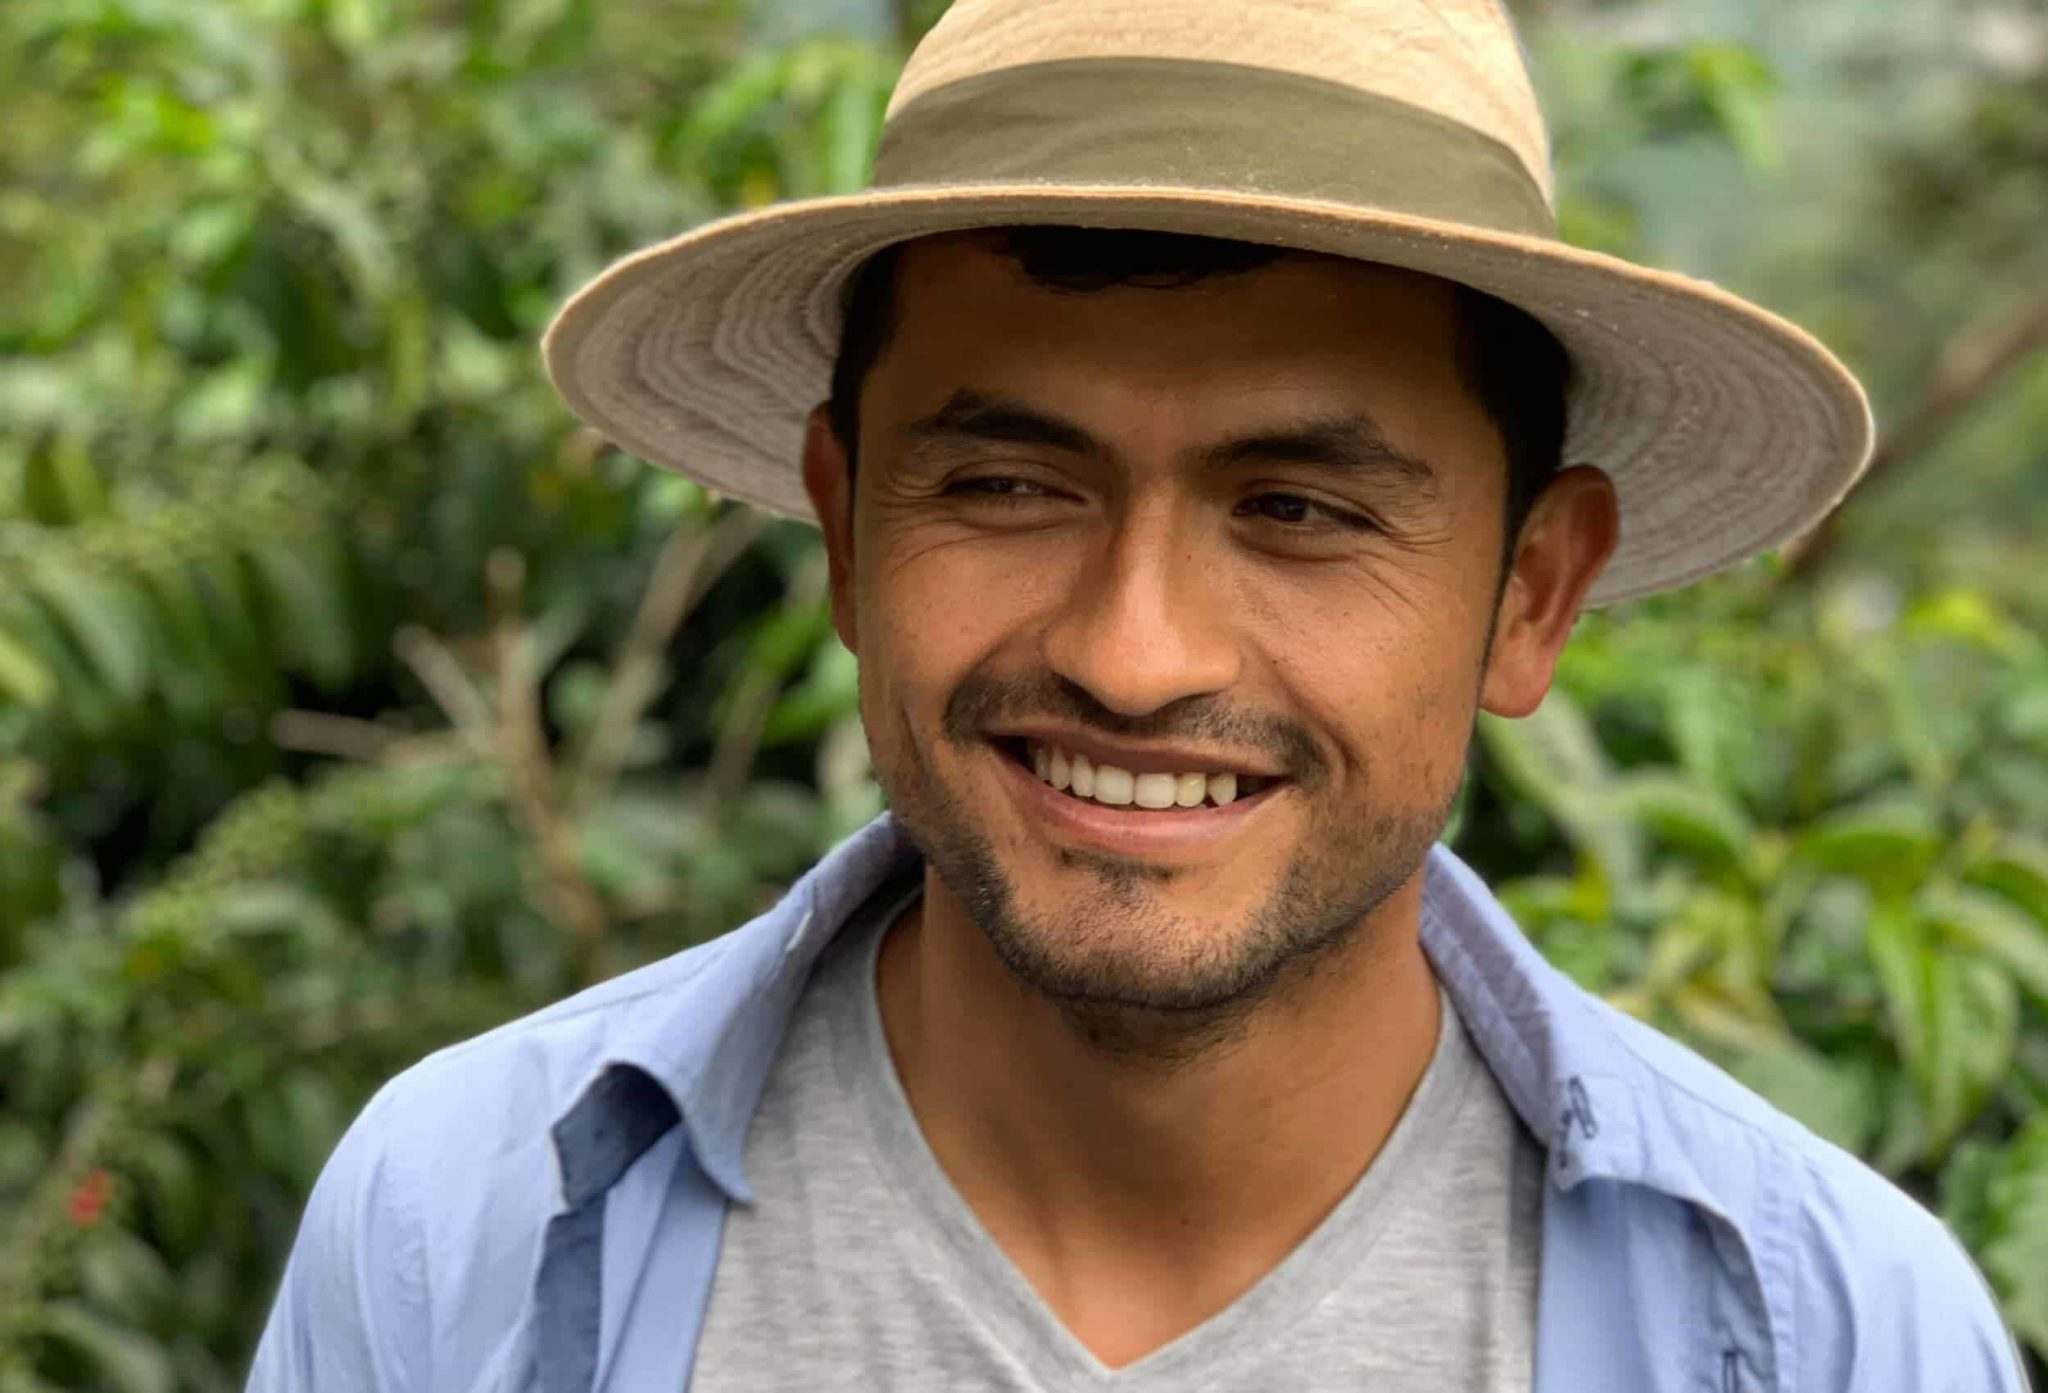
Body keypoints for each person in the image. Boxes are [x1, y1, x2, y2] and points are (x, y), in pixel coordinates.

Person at [247, 1, 2033, 1389]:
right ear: (847, 531)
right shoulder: (461, 1228)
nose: (1134, 649)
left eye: (1302, 511)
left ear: (1531, 594)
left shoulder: (1830, 1334)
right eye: (1010, 485)